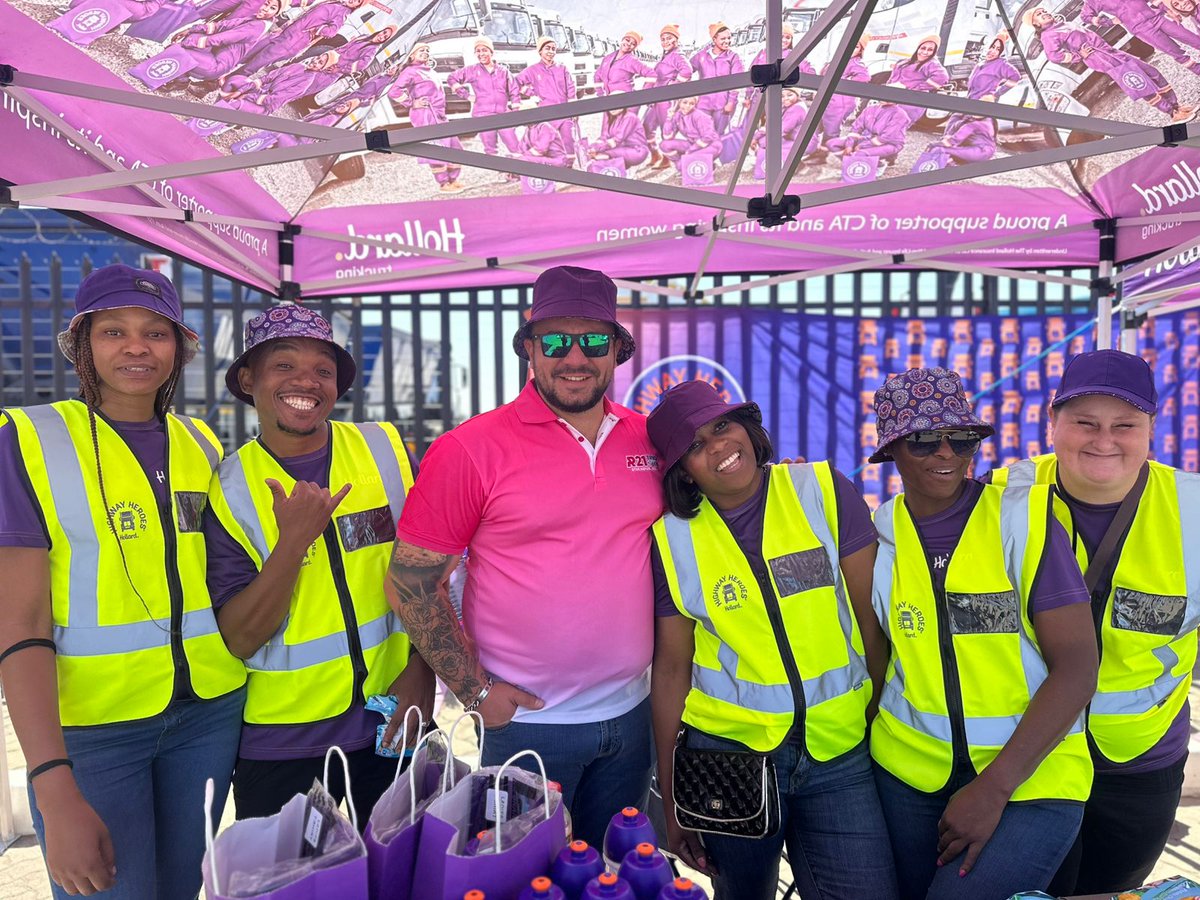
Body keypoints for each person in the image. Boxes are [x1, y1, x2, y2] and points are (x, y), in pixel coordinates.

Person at [386, 265, 662, 850]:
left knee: (611, 878)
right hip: (527, 729)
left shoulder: (648, 439)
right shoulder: (469, 449)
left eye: (593, 340)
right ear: (529, 349)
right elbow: (410, 584)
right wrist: (475, 694)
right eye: (555, 341)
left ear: (617, 350)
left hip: (632, 719)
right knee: (521, 880)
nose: (575, 357)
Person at [0, 265, 246, 899]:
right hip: (94, 732)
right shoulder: (28, 439)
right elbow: (19, 621)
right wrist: (52, 786)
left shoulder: (200, 442)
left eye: (155, 333)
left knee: (181, 890)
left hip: (209, 715)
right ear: (83, 344)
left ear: (179, 349)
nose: (136, 347)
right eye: (113, 331)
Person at [647, 380, 900, 900]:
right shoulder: (671, 538)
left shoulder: (821, 489)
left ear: (746, 427)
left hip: (840, 753)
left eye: (723, 425)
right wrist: (673, 801)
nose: (718, 445)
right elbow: (671, 669)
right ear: (682, 470)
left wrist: (874, 715)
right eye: (695, 445)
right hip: (728, 760)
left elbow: (872, 623)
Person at [869, 367, 1098, 900]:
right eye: (924, 439)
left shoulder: (1022, 519)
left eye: (962, 438)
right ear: (892, 449)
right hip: (907, 776)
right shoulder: (879, 533)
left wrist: (994, 788)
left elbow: (1078, 666)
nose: (946, 453)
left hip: (1032, 778)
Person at [204, 304, 433, 825]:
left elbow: (433, 571)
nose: (306, 381)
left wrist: (422, 670)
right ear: (248, 379)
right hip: (282, 747)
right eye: (284, 365)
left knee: (407, 867)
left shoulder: (385, 450)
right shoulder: (229, 488)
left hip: (395, 719)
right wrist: (292, 545)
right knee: (299, 873)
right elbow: (239, 639)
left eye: (323, 370)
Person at [989, 350, 1200, 895]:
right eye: (1085, 422)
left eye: (1124, 425)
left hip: (1139, 760)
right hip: (1025, 758)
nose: (1104, 440)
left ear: (1151, 429)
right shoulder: (997, 498)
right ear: (1052, 422)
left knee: (1111, 892)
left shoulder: (1194, 510)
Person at [1026, 7, 1194, 121]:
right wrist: (1078, 56)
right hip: (1099, 57)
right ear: (1036, 24)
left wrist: (1111, 21)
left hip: (1108, 50)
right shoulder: (1047, 36)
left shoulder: (1062, 25)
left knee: (1150, 71)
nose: (1045, 13)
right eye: (1040, 14)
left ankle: (1176, 106)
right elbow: (1054, 56)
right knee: (1137, 81)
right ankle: (1172, 113)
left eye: (1044, 11)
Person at [160, 0, 282, 96]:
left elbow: (223, 38)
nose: (266, 9)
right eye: (266, 3)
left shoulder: (257, 26)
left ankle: (181, 81)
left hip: (217, 65)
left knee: (176, 51)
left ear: (276, 14)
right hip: (212, 56)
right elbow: (224, 25)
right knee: (194, 36)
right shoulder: (254, 18)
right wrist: (190, 30)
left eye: (272, 8)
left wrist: (187, 43)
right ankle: (181, 78)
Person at [390, 43, 466, 194]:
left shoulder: (429, 70)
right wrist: (411, 103)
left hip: (439, 114)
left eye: (427, 50)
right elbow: (394, 92)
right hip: (425, 115)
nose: (425, 52)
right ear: (411, 55)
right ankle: (443, 183)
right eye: (421, 50)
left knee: (454, 146)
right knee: (436, 149)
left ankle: (453, 179)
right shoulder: (410, 71)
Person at [238, 0, 366, 75]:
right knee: (249, 51)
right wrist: (285, 26)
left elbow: (331, 32)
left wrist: (315, 29)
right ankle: (228, 68)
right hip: (285, 33)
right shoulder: (337, 3)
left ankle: (231, 84)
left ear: (358, 6)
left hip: (293, 42)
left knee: (255, 63)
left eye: (358, 0)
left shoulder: (343, 13)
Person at [448, 36, 521, 158]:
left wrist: (515, 110)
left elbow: (514, 90)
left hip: (503, 114)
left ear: (491, 52)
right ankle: (496, 167)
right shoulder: (472, 70)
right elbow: (452, 78)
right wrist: (466, 95)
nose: (481, 53)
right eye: (478, 51)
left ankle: (521, 167)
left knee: (515, 147)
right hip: (483, 115)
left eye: (484, 50)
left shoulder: (503, 71)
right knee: (490, 150)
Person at [1083, 0, 1200, 69]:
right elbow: (1085, 16)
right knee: (1177, 53)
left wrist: (1168, 10)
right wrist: (1109, 22)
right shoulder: (1093, 1)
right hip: (1141, 28)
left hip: (1157, 17)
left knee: (1194, 40)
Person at [642, 24, 694, 169]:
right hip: (657, 99)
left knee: (666, 130)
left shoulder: (677, 55)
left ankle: (667, 159)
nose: (665, 41)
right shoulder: (665, 56)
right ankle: (655, 154)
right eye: (663, 39)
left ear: (676, 40)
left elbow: (687, 71)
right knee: (646, 126)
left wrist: (673, 84)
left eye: (669, 38)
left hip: (667, 101)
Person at [517, 36, 579, 156]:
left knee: (569, 140)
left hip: (565, 112)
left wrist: (574, 109)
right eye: (547, 48)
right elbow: (516, 82)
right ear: (540, 51)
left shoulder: (562, 68)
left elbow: (571, 87)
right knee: (547, 143)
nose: (551, 51)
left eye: (553, 49)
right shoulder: (532, 70)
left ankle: (569, 164)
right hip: (546, 114)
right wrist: (531, 93)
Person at [817, 36, 871, 156]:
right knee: (818, 124)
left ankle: (824, 154)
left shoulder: (856, 63)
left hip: (841, 102)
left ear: (860, 50)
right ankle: (817, 149)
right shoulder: (837, 60)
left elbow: (864, 77)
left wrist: (844, 81)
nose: (850, 48)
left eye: (856, 46)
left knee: (831, 128)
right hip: (828, 98)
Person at [691, 22, 745, 135]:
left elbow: (737, 82)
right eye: (723, 38)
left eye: (729, 38)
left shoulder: (733, 57)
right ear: (714, 39)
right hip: (703, 103)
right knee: (702, 134)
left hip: (723, 105)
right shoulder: (702, 55)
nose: (727, 41)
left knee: (718, 135)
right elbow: (687, 69)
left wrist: (731, 101)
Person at [825, 99, 909, 171]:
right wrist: (849, 145)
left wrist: (861, 146)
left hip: (891, 143)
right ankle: (852, 163)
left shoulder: (900, 114)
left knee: (860, 154)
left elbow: (886, 137)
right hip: (869, 138)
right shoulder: (870, 109)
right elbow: (856, 128)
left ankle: (878, 165)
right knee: (832, 144)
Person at [887, 36, 950, 125]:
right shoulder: (907, 61)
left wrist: (917, 88)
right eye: (923, 48)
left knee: (894, 127)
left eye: (930, 50)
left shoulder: (931, 63)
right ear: (918, 48)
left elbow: (942, 78)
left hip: (910, 103)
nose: (925, 52)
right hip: (894, 98)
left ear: (934, 52)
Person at [586, 90, 650, 169]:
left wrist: (598, 149)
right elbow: (604, 136)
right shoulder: (611, 117)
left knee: (602, 155)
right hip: (621, 148)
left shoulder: (629, 117)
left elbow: (617, 139)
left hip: (636, 150)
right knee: (596, 155)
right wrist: (593, 147)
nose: (612, 108)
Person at [660, 95, 722, 168]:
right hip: (693, 144)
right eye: (685, 102)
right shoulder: (678, 115)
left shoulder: (700, 116)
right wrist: (669, 118)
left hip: (711, 146)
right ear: (679, 102)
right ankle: (684, 165)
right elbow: (667, 137)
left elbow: (708, 137)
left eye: (691, 103)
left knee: (682, 165)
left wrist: (690, 150)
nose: (687, 106)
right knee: (664, 145)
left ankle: (708, 166)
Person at [595, 30, 655, 97]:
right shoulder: (607, 58)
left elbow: (652, 74)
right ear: (622, 40)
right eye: (627, 40)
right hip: (610, 99)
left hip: (626, 100)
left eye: (633, 44)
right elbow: (597, 76)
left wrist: (644, 93)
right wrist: (600, 94)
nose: (629, 44)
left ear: (634, 48)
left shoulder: (631, 60)